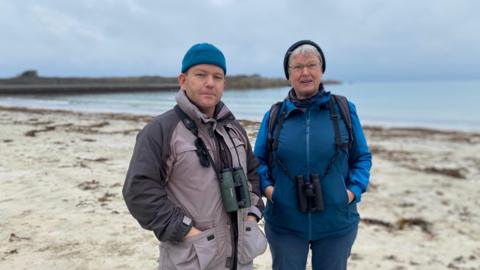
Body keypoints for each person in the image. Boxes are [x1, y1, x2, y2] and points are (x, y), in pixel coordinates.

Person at [123, 43, 267, 270]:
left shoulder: (234, 129)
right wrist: (185, 230)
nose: (210, 83)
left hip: (240, 259)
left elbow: (253, 173)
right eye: (201, 75)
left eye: (217, 77)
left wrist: (252, 214)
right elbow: (139, 191)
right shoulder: (161, 130)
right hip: (191, 260)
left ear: (223, 83)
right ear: (183, 80)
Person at [254, 40, 372, 270]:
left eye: (312, 65)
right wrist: (271, 191)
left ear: (322, 69)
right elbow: (257, 161)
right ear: (288, 74)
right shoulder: (275, 115)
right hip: (285, 224)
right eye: (297, 67)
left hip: (336, 223)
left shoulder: (344, 109)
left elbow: (362, 158)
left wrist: (350, 192)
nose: (305, 72)